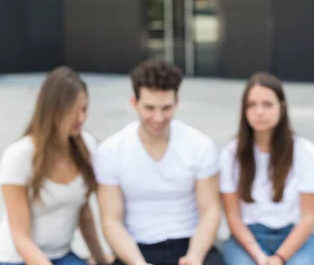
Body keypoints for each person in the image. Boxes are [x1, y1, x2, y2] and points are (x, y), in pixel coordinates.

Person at [93, 58, 225, 265]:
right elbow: (111, 220)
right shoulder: (110, 151)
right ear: (134, 103)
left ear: (177, 102)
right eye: (149, 108)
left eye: (166, 108)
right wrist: (137, 262)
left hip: (190, 243)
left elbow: (210, 210)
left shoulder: (200, 146)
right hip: (137, 247)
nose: (158, 117)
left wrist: (194, 257)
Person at [0, 66, 111, 265]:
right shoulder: (20, 155)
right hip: (15, 258)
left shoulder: (86, 145)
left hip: (60, 255)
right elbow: (21, 238)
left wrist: (102, 261)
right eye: (74, 111)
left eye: (84, 109)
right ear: (54, 110)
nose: (81, 118)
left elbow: (84, 213)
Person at [220, 73, 314, 265]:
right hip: (248, 238)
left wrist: (279, 258)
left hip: (295, 238)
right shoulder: (231, 153)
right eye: (252, 105)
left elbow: (308, 218)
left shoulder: (304, 151)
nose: (259, 111)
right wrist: (259, 256)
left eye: (267, 104)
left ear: (282, 107)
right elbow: (233, 217)